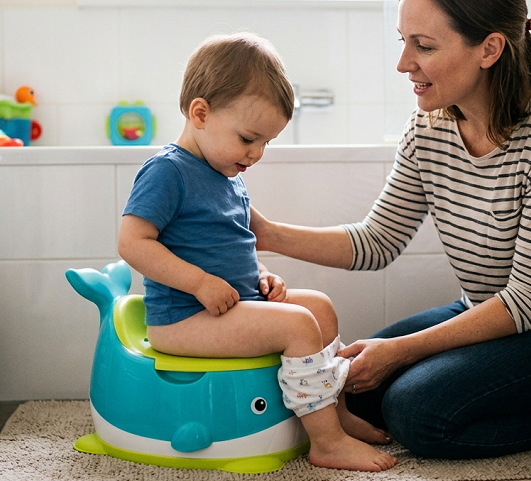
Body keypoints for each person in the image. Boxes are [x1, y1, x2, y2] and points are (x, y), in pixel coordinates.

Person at [248, 0, 531, 460]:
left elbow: (529, 302)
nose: (403, 63)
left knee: (419, 414)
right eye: (403, 41)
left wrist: (399, 352)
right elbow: (377, 242)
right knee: (354, 391)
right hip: (492, 311)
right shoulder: (430, 125)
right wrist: (266, 233)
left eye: (424, 46)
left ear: (490, 48)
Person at [117, 32, 398, 471]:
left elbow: (232, 245)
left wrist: (261, 274)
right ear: (200, 113)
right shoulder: (167, 171)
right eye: (249, 138)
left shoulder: (226, 175)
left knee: (319, 307)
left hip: (229, 305)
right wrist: (199, 283)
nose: (257, 153)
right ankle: (326, 443)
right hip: (183, 318)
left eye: (266, 142)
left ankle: (337, 416)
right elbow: (132, 243)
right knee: (299, 325)